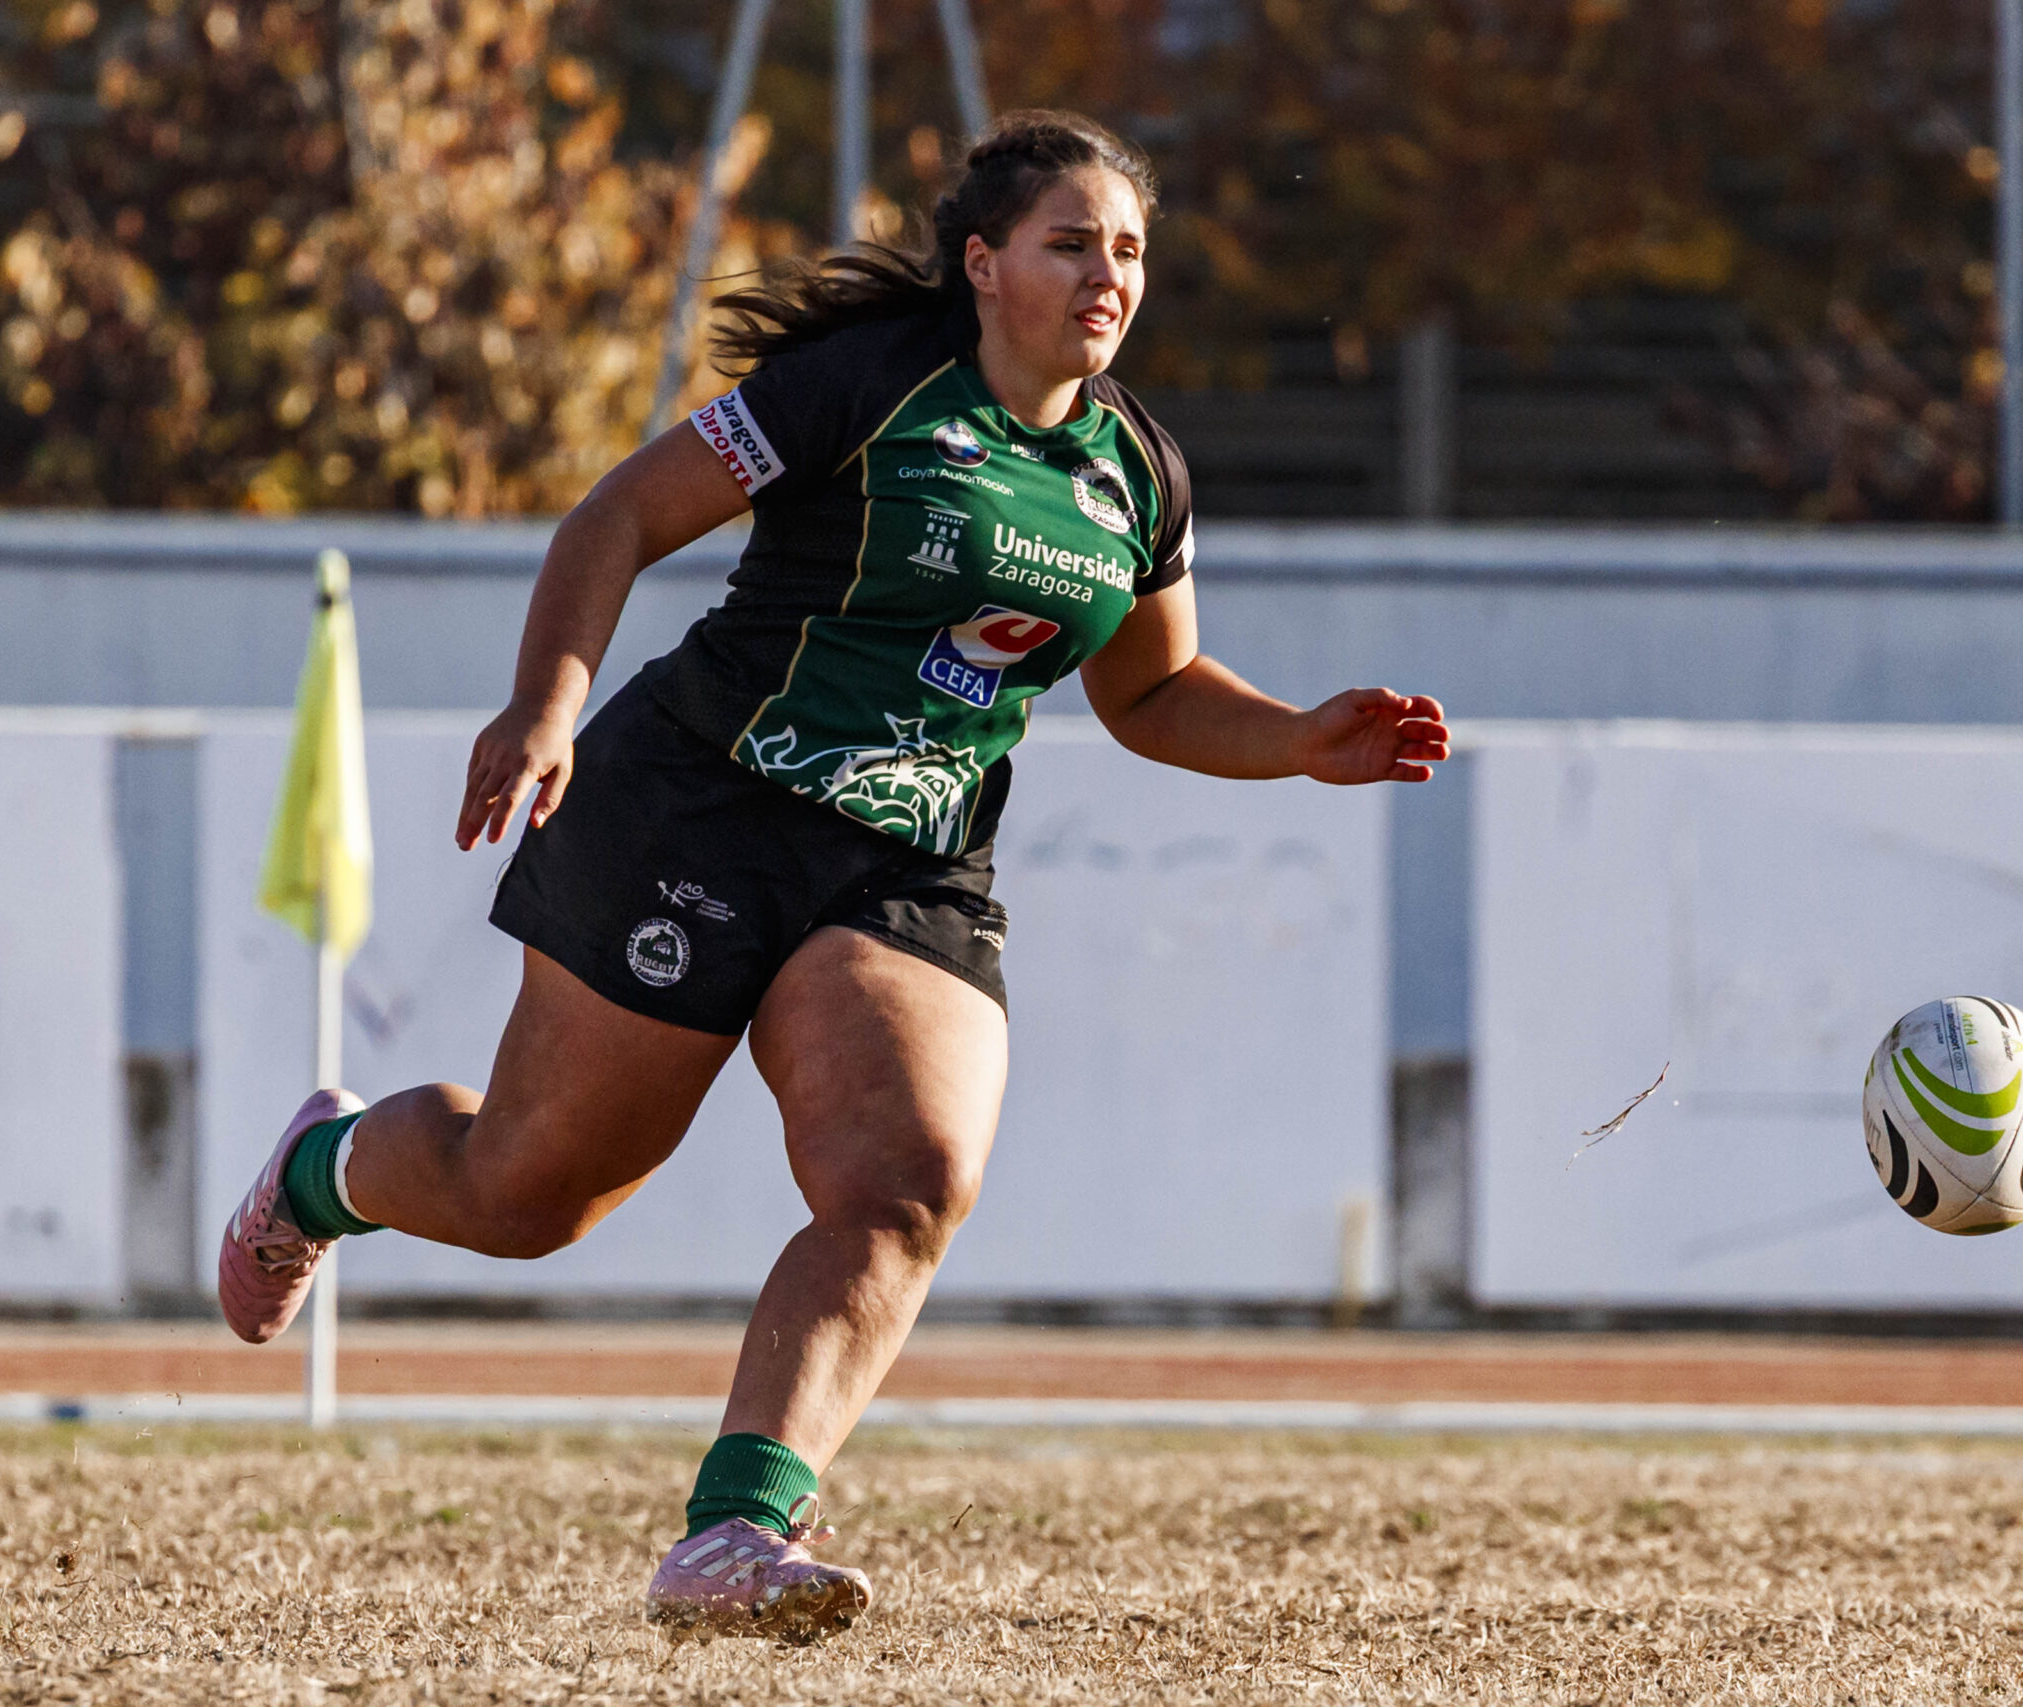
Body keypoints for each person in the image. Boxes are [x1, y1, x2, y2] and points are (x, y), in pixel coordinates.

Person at [216, 109, 1450, 1644]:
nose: (1108, 276)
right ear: (985, 263)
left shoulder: (1139, 473)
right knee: (528, 1195)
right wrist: (543, 705)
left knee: (909, 1180)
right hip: (700, 807)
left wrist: (1301, 741)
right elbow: (622, 514)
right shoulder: (862, 388)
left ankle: (736, 1533)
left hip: (909, 865)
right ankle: (325, 1173)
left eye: (1129, 249)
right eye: (1072, 244)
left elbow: (1152, 697)